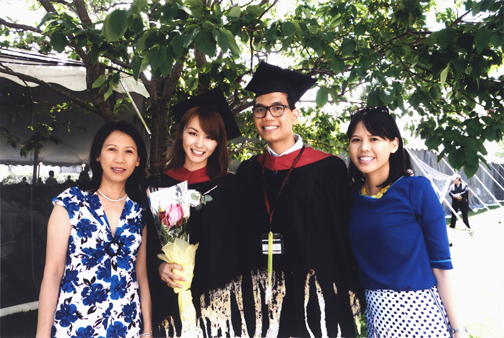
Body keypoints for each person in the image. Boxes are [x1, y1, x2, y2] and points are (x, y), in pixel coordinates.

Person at [235, 62, 362, 338]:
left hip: (317, 299)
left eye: (277, 108)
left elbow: (343, 237)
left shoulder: (328, 168)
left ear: (295, 114)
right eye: (260, 109)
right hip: (263, 301)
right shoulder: (248, 171)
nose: (268, 116)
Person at [347, 106, 468, 338]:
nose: (364, 147)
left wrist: (458, 330)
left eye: (374, 138)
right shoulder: (350, 197)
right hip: (376, 317)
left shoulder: (417, 189)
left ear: (394, 144)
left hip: (420, 314)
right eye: (356, 139)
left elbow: (442, 265)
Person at [36, 121, 152, 338]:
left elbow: (141, 275)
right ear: (98, 155)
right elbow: (52, 273)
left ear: (137, 161)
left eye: (129, 151)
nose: (119, 159)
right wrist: (42, 334)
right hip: (73, 324)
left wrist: (147, 330)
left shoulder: (139, 212)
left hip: (127, 325)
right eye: (112, 149)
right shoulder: (70, 202)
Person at [144, 88, 242, 337]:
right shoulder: (156, 185)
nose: (199, 144)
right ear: (180, 134)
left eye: (209, 137)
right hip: (170, 296)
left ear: (218, 142)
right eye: (192, 133)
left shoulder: (230, 187)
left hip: (219, 299)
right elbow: (145, 245)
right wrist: (158, 268)